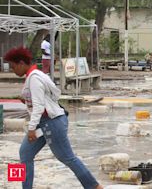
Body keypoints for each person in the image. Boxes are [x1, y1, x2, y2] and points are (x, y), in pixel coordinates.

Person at [3, 46, 103, 189]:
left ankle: (94, 186)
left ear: (21, 63)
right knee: (24, 153)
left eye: (13, 67)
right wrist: (28, 101)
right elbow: (52, 96)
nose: (13, 71)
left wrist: (31, 128)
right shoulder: (36, 75)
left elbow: (39, 106)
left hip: (52, 123)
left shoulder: (34, 78)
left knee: (67, 157)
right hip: (43, 122)